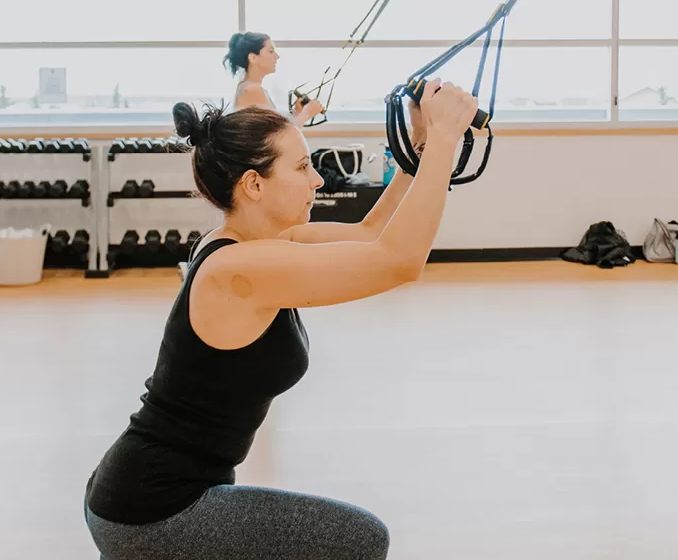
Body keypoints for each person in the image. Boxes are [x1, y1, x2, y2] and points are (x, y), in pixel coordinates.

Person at [82, 81, 481, 559]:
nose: (318, 181)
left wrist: (419, 144)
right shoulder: (237, 270)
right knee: (361, 539)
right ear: (254, 184)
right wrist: (444, 142)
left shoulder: (253, 243)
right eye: (302, 167)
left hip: (152, 490)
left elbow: (372, 233)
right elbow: (399, 261)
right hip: (153, 510)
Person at [225, 31, 327, 123]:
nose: (276, 56)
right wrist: (307, 114)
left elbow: (272, 128)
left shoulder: (250, 87)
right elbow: (278, 136)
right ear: (253, 58)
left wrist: (297, 113)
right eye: (270, 51)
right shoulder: (252, 89)